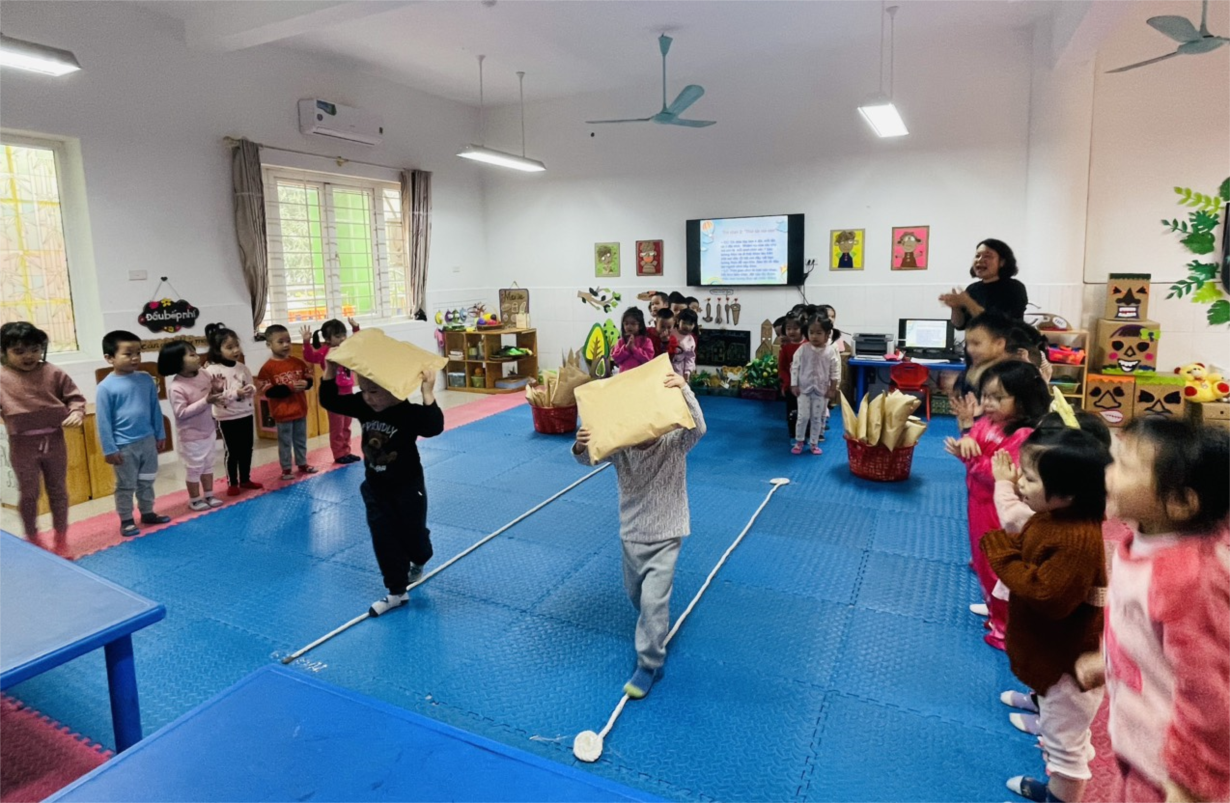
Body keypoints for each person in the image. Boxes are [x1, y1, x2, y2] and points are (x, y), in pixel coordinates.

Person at [1075, 418, 1230, 803]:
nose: (1109, 471)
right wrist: (1109, 662)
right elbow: (1140, 627)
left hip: (1171, 773)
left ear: (1180, 503)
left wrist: (1192, 780)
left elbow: (1209, 690)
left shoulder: (1186, 579)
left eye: (1125, 466)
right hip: (1138, 742)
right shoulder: (1146, 541)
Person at [982, 426, 1113, 803]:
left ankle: (1061, 796)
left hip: (1070, 666)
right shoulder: (1053, 518)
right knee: (1062, 726)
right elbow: (1027, 542)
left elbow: (1046, 594)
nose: (1020, 483)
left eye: (1030, 478)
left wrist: (1002, 554)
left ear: (1067, 494)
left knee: (1063, 745)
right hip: (1057, 656)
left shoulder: (1075, 539)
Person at [571, 370, 706, 699]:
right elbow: (589, 457)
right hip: (632, 532)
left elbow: (699, 427)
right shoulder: (622, 448)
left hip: (667, 533)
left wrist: (685, 390)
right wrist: (581, 443)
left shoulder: (675, 442)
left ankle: (649, 663)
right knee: (635, 594)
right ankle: (651, 622)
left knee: (652, 600)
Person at [319, 358, 444, 616]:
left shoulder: (407, 412)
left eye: (374, 391)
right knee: (383, 537)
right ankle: (396, 591)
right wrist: (330, 371)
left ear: (394, 389)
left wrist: (428, 393)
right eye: (363, 390)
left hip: (408, 487)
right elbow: (329, 401)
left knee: (414, 539)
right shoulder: (364, 405)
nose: (368, 397)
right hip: (376, 487)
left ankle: (421, 556)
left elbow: (434, 427)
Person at [945, 360, 1050, 648]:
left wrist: (969, 456)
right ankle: (995, 611)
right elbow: (975, 444)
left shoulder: (1021, 435)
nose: (988, 403)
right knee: (982, 560)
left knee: (999, 564)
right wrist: (967, 432)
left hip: (997, 509)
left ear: (1023, 400)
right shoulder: (987, 423)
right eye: (986, 396)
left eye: (998, 397)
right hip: (977, 502)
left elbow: (1000, 475)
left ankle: (1006, 628)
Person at [0, 322, 86, 554]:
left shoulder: (53, 372)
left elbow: (75, 398)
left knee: (58, 490)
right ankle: (33, 537)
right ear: (4, 352)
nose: (29, 356)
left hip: (54, 439)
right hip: (22, 444)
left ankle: (61, 538)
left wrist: (77, 412)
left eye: (35, 349)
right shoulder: (2, 376)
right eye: (19, 351)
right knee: (29, 493)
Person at [97, 330, 170, 538]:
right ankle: (127, 520)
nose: (135, 358)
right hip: (124, 446)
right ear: (109, 358)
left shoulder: (146, 379)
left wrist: (160, 434)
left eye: (138, 353)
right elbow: (103, 422)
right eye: (128, 354)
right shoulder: (105, 387)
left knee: (147, 480)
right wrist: (110, 449)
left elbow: (155, 408)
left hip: (148, 441)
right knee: (126, 485)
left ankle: (147, 512)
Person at [158, 341, 225, 512]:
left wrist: (217, 389)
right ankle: (194, 499)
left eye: (196, 353)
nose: (197, 357)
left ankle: (209, 494)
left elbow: (212, 395)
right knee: (195, 468)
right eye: (192, 355)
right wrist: (206, 400)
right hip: (191, 436)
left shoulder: (203, 374)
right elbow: (181, 413)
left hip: (208, 429)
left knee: (208, 464)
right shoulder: (176, 387)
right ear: (177, 362)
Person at [203, 323, 261, 497]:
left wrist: (251, 389)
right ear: (217, 350)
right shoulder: (211, 370)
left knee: (247, 448)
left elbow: (250, 385)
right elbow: (214, 395)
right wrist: (236, 393)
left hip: (245, 414)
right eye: (229, 347)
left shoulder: (242, 367)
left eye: (236, 345)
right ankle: (233, 482)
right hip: (227, 417)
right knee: (233, 451)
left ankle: (245, 479)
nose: (235, 350)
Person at [256, 324, 316, 481]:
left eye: (288, 341)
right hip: (282, 413)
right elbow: (269, 392)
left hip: (300, 410)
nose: (285, 345)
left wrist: (306, 383)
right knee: (285, 442)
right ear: (269, 344)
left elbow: (309, 379)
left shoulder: (298, 362)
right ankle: (286, 468)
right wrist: (289, 388)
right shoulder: (267, 369)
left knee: (300, 440)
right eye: (280, 342)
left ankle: (302, 463)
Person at [301, 317, 361, 464]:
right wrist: (306, 342)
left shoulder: (346, 348)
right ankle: (339, 454)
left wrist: (355, 328)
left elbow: (358, 343)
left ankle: (347, 451)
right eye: (338, 336)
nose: (342, 339)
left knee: (346, 425)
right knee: (337, 427)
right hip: (334, 393)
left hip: (348, 392)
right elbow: (310, 356)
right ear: (328, 339)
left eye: (343, 335)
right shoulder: (325, 351)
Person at [939, 238, 1030, 329]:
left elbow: (997, 326)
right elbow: (959, 325)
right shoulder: (972, 289)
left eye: (987, 256)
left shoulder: (1015, 288)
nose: (980, 260)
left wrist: (968, 302)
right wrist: (956, 308)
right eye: (977, 256)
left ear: (1002, 262)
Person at [791, 317, 839, 455]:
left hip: (821, 390)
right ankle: (799, 441)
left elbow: (834, 371)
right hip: (804, 389)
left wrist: (832, 388)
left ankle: (814, 443)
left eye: (819, 333)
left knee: (817, 418)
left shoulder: (830, 351)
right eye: (811, 332)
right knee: (803, 417)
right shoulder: (803, 349)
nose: (814, 336)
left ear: (827, 334)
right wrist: (794, 385)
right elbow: (795, 367)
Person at [778, 315, 805, 440]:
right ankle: (793, 434)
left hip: (806, 386)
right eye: (788, 329)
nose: (791, 331)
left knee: (805, 412)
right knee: (792, 412)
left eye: (795, 328)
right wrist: (786, 384)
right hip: (791, 387)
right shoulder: (785, 348)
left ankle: (806, 434)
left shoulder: (808, 345)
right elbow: (782, 368)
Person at [612, 308, 655, 374]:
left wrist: (634, 349)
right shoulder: (620, 342)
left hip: (641, 376)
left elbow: (648, 359)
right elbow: (616, 359)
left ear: (640, 326)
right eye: (626, 324)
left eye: (633, 324)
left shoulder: (646, 341)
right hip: (625, 376)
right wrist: (626, 348)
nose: (629, 326)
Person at [672, 309, 698, 380]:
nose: (687, 326)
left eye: (690, 324)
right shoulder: (671, 332)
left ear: (694, 325)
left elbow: (690, 358)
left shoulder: (690, 340)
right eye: (684, 323)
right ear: (678, 321)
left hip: (680, 368)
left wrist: (687, 371)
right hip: (668, 364)